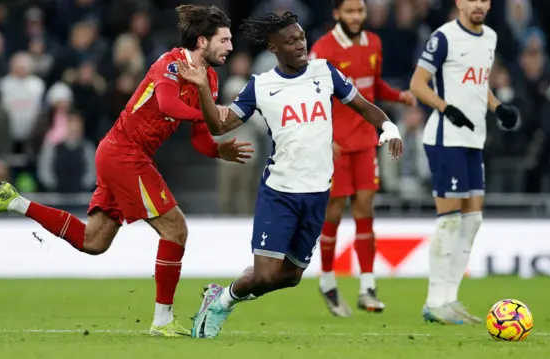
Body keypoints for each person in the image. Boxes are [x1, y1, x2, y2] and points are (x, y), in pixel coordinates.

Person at [0, 4, 253, 337]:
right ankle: (162, 320)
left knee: (94, 241)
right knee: (175, 228)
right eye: (224, 40)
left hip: (121, 154)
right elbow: (167, 105)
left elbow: (199, 138)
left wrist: (217, 149)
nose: (230, 47)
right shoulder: (171, 63)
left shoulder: (208, 78)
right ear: (203, 41)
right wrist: (206, 114)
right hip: (125, 153)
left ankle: (15, 202)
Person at [175, 11, 404, 339]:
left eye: (301, 38)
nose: (300, 45)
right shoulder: (262, 86)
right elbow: (219, 125)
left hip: (318, 192)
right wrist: (200, 89)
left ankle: (231, 291)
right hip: (280, 192)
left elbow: (364, 106)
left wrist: (388, 127)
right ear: (273, 47)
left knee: (291, 276)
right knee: (266, 274)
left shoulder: (324, 72)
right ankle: (222, 300)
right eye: (291, 41)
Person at [409, 0, 520, 324]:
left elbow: (477, 81)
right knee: (451, 220)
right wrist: (445, 108)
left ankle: (450, 299)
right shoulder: (443, 37)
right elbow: (418, 83)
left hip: (474, 140)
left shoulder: (489, 38)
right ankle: (434, 302)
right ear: (459, 2)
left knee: (472, 221)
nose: (480, 5)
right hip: (446, 139)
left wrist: (498, 106)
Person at [309, 0, 417, 317]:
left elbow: (372, 86)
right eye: (350, 11)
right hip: (336, 145)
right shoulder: (323, 49)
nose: (357, 16)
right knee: (332, 212)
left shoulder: (375, 43)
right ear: (336, 13)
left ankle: (367, 286)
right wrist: (324, 137)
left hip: (366, 140)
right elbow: (313, 97)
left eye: (360, 11)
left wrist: (399, 95)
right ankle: (327, 279)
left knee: (365, 209)